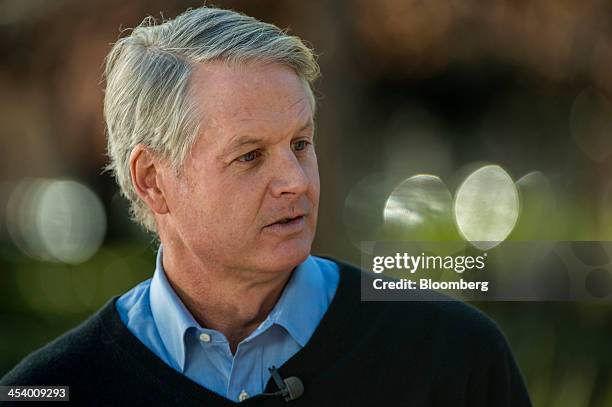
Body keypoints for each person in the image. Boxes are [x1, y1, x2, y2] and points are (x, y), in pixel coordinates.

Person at [1, 6, 532, 406]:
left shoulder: (454, 355)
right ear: (152, 180)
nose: (295, 182)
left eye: (302, 144)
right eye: (250, 156)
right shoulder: (47, 390)